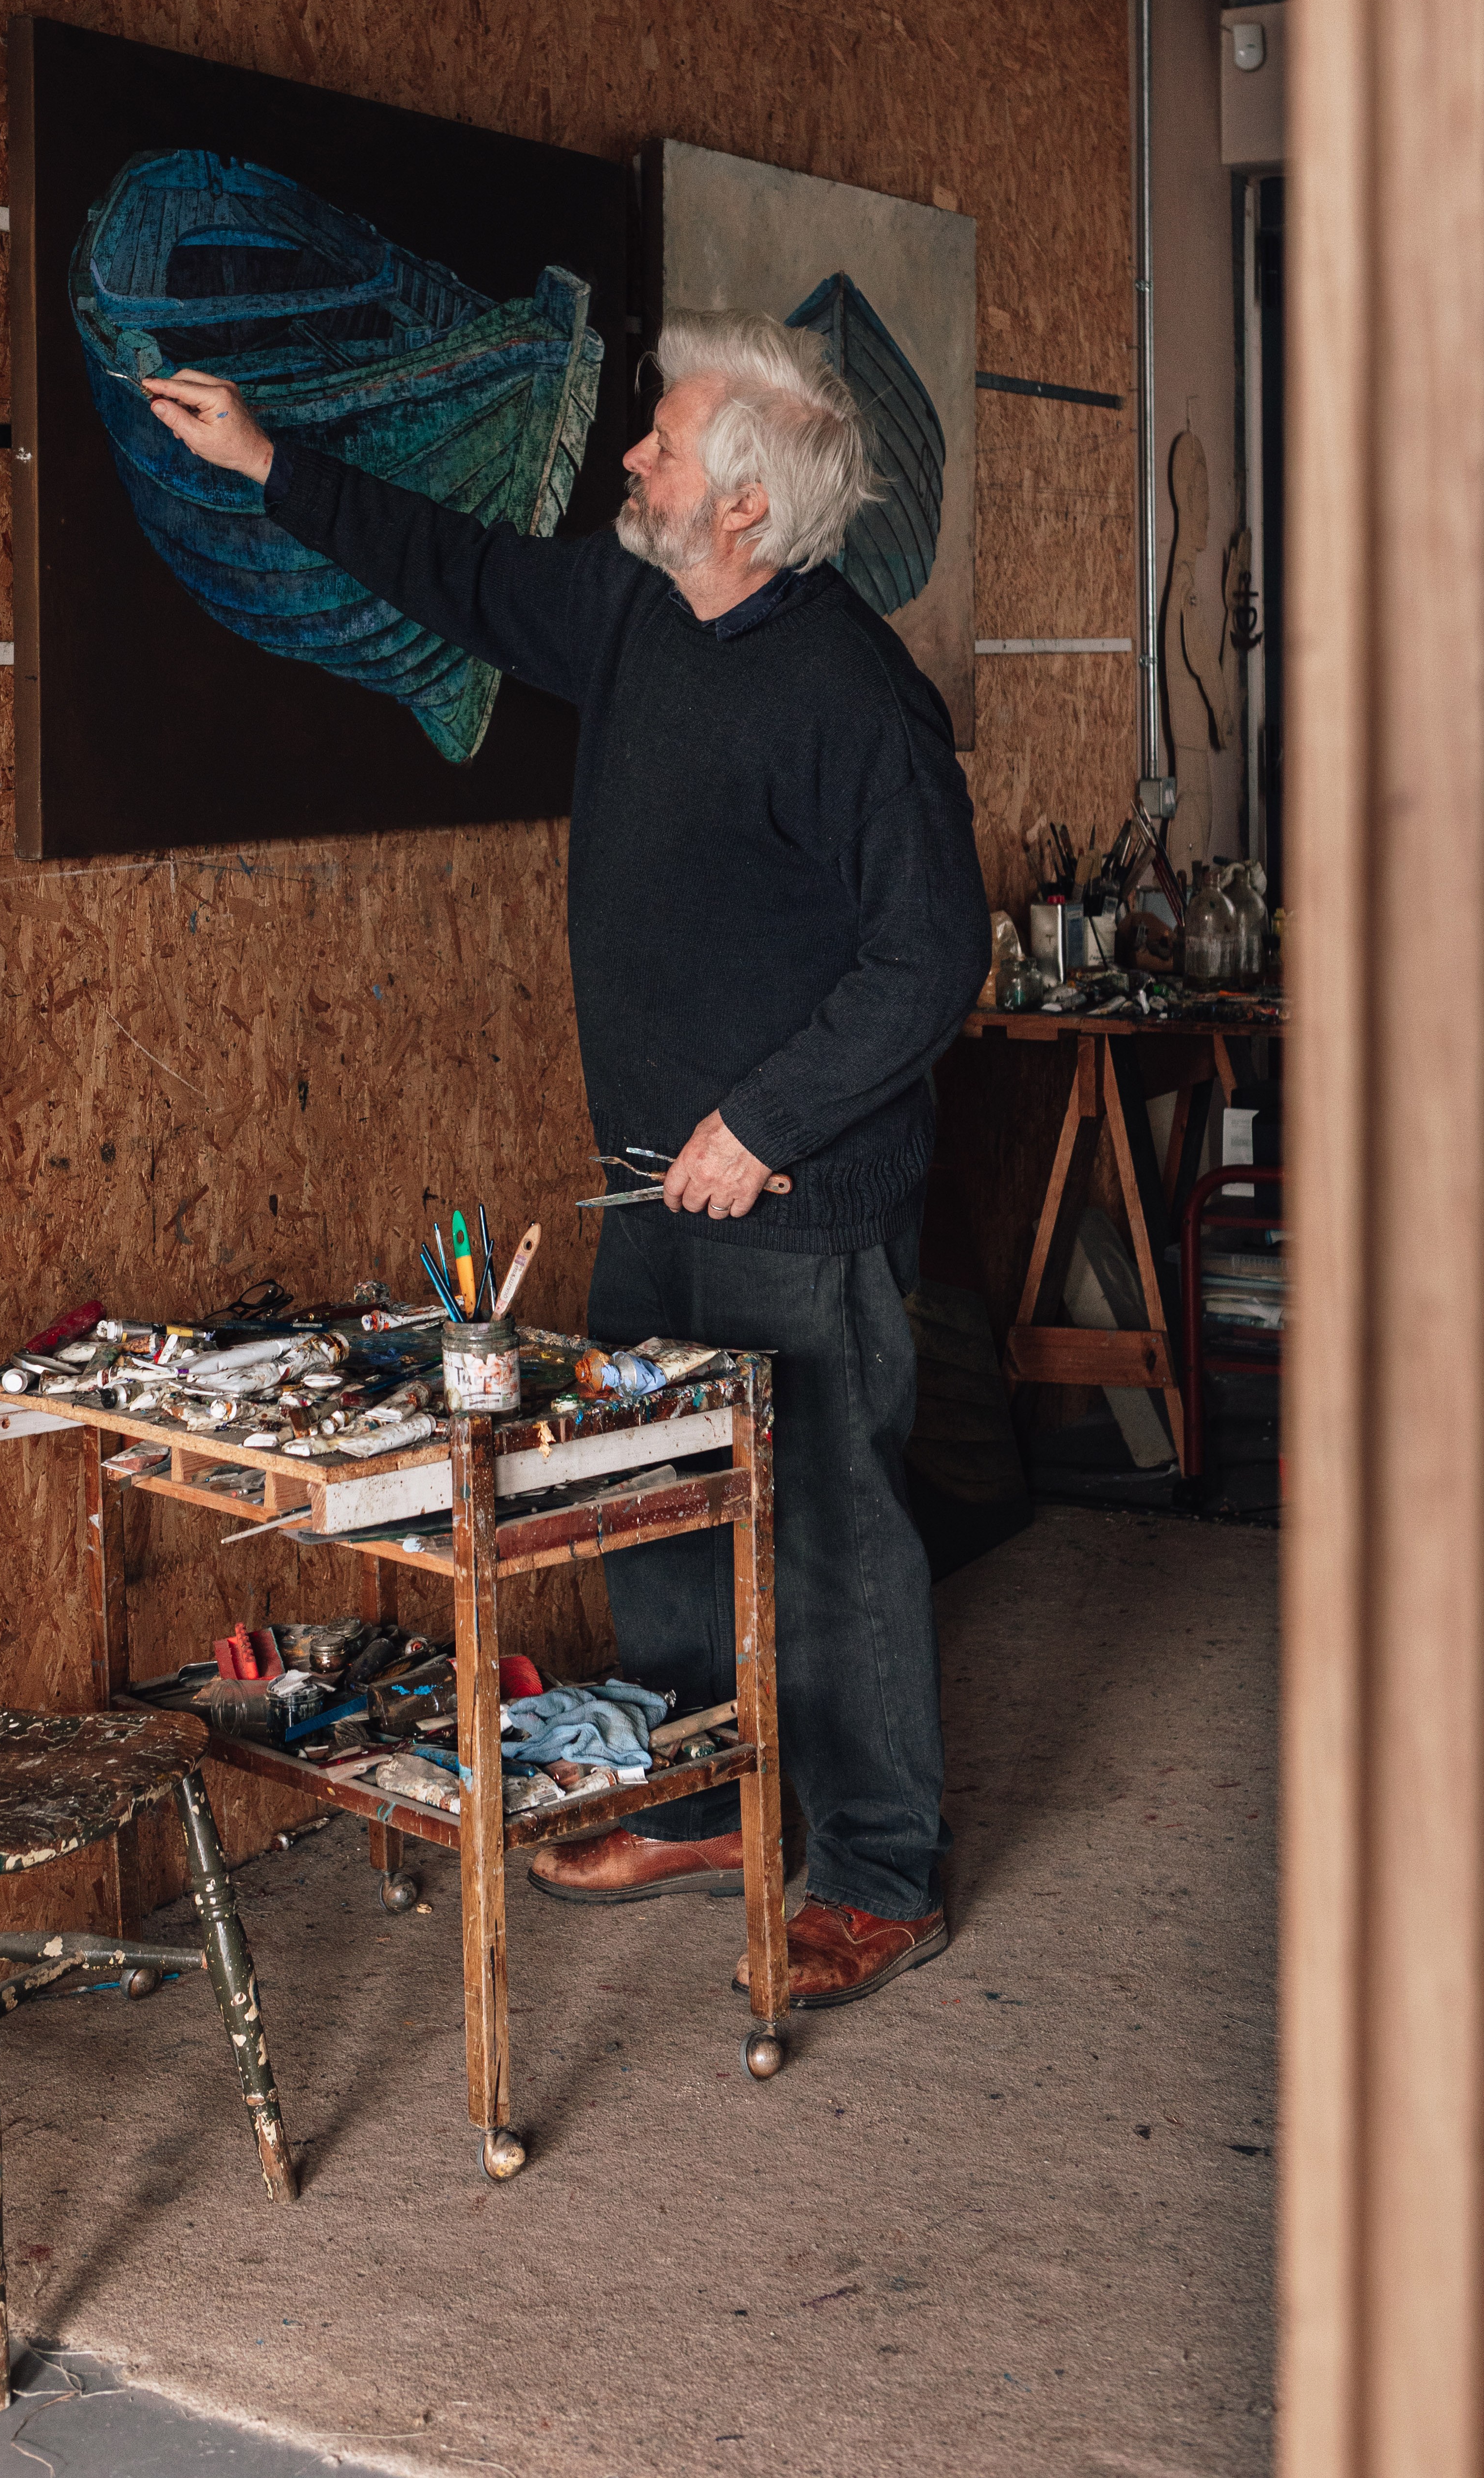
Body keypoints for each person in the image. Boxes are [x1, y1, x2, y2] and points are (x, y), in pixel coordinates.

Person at [143, 311, 990, 2008]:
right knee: (657, 1502)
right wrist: (264, 463)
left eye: (662, 443)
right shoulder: (632, 609)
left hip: (790, 1196)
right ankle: (701, 1797)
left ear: (741, 505)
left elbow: (932, 956)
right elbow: (458, 573)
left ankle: (880, 1872)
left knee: (828, 1528)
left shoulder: (850, 694)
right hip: (647, 1181)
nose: (631, 458)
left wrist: (763, 1128)